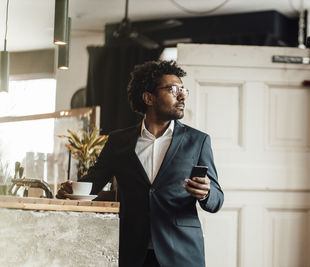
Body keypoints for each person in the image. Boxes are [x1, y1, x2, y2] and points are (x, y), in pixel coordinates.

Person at [56, 60, 224, 267]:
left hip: (181, 253)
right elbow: (93, 183)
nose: (181, 96)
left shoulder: (198, 141)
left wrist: (207, 193)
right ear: (148, 98)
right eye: (173, 89)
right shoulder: (119, 141)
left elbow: (217, 199)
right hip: (132, 252)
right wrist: (70, 190)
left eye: (183, 90)